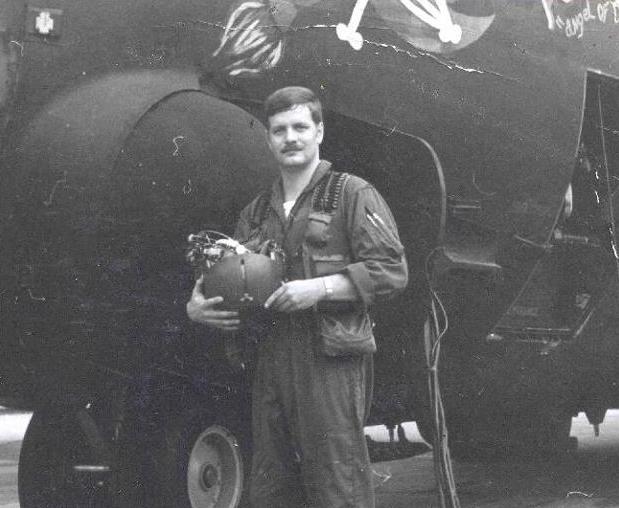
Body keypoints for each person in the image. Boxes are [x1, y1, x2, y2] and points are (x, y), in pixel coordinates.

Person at [187, 86, 408, 507]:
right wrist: (197, 308)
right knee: (270, 485)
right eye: (279, 130)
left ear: (319, 131)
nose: (290, 137)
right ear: (269, 139)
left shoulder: (351, 194)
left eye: (300, 127)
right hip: (269, 358)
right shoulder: (254, 212)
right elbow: (227, 281)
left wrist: (319, 288)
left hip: (330, 360)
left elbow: (391, 273)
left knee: (336, 481)